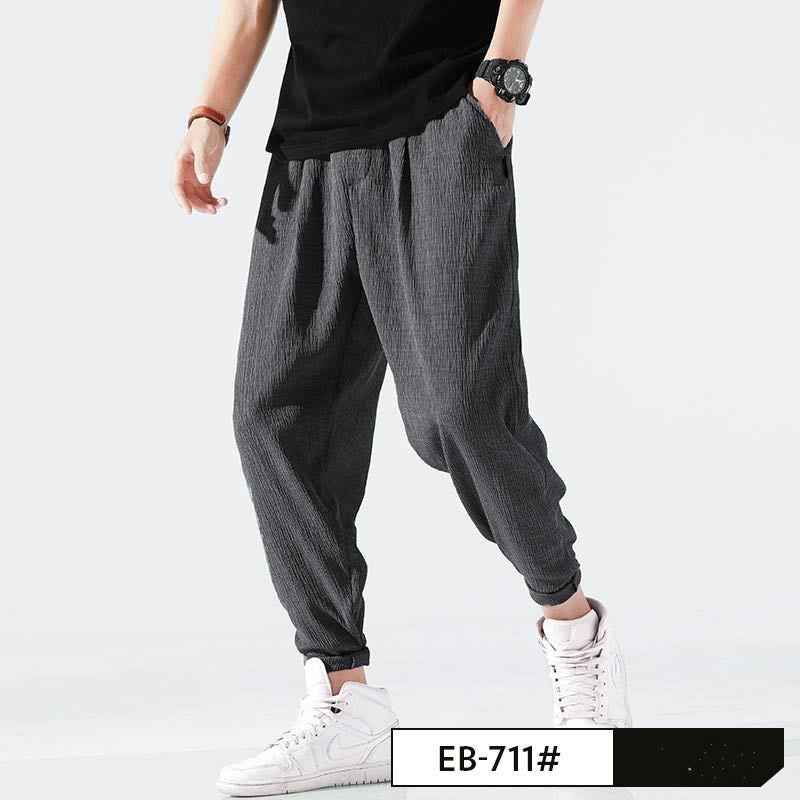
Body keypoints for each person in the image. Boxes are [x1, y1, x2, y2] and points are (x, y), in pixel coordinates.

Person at [173, 0, 632, 794]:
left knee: (460, 411)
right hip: (310, 148)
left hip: (443, 121)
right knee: (274, 417)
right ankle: (345, 699)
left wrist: (500, 80)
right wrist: (210, 113)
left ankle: (573, 628)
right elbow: (251, 6)